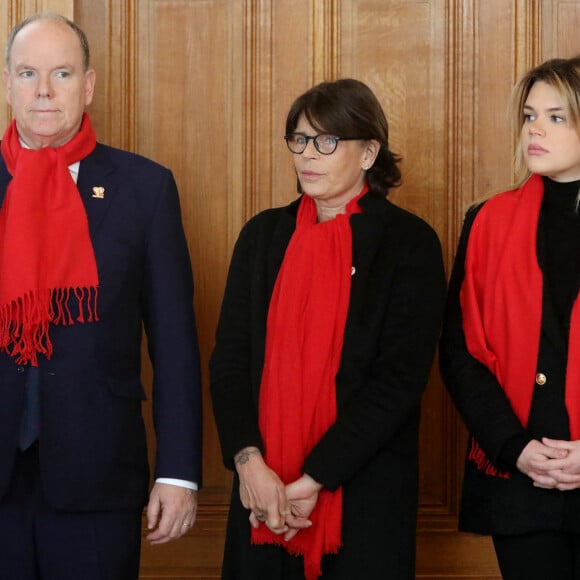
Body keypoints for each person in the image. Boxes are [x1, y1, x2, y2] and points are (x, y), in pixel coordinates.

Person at [210, 78, 446, 580]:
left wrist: (314, 478)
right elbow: (230, 361)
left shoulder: (408, 244)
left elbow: (398, 380)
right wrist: (249, 464)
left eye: (327, 141)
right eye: (298, 139)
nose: (307, 155)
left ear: (369, 153)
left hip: (363, 496)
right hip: (262, 494)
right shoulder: (261, 237)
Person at [0, 12, 202, 580]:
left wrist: (179, 472)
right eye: (28, 73)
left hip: (98, 475)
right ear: (8, 83)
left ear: (87, 86)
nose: (43, 91)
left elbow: (175, 344)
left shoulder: (146, 188)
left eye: (61, 74)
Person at [440, 55, 580, 579]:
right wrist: (514, 448)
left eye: (556, 116)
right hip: (521, 477)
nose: (535, 130)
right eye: (529, 116)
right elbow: (459, 354)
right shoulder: (487, 221)